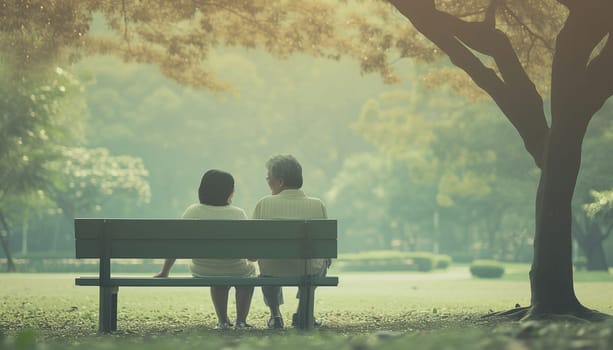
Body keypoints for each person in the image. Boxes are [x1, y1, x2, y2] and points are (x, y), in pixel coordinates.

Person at [154, 169, 256, 330]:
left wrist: (165, 271)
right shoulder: (238, 213)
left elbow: (176, 244)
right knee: (247, 279)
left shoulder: (192, 211)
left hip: (204, 269)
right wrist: (252, 258)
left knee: (217, 276)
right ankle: (241, 321)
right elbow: (249, 252)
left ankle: (223, 321)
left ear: (203, 190)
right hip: (235, 268)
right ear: (229, 191)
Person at [252, 154, 330, 329]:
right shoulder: (317, 204)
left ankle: (275, 315)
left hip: (272, 269)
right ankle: (303, 311)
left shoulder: (263, 204)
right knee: (318, 265)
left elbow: (252, 252)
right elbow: (325, 250)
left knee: (268, 266)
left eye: (268, 177)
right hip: (308, 269)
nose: (267, 181)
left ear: (280, 182)